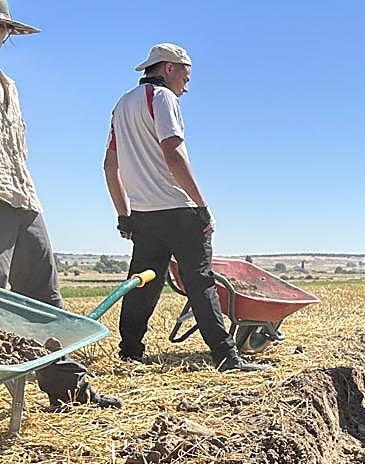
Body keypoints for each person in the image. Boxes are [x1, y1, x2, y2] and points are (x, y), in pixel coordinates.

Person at [103, 43, 268, 373]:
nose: (187, 86)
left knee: (142, 282)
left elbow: (110, 165)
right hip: (179, 210)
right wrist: (202, 205)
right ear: (169, 68)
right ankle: (226, 357)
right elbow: (173, 154)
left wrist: (124, 214)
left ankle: (130, 351)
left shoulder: (121, 105)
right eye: (186, 77)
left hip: (144, 215)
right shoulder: (163, 98)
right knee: (200, 282)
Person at [0, 3, 120, 411]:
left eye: (2, 30)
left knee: (44, 299)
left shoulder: (9, 85)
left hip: (21, 195)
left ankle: (68, 390)